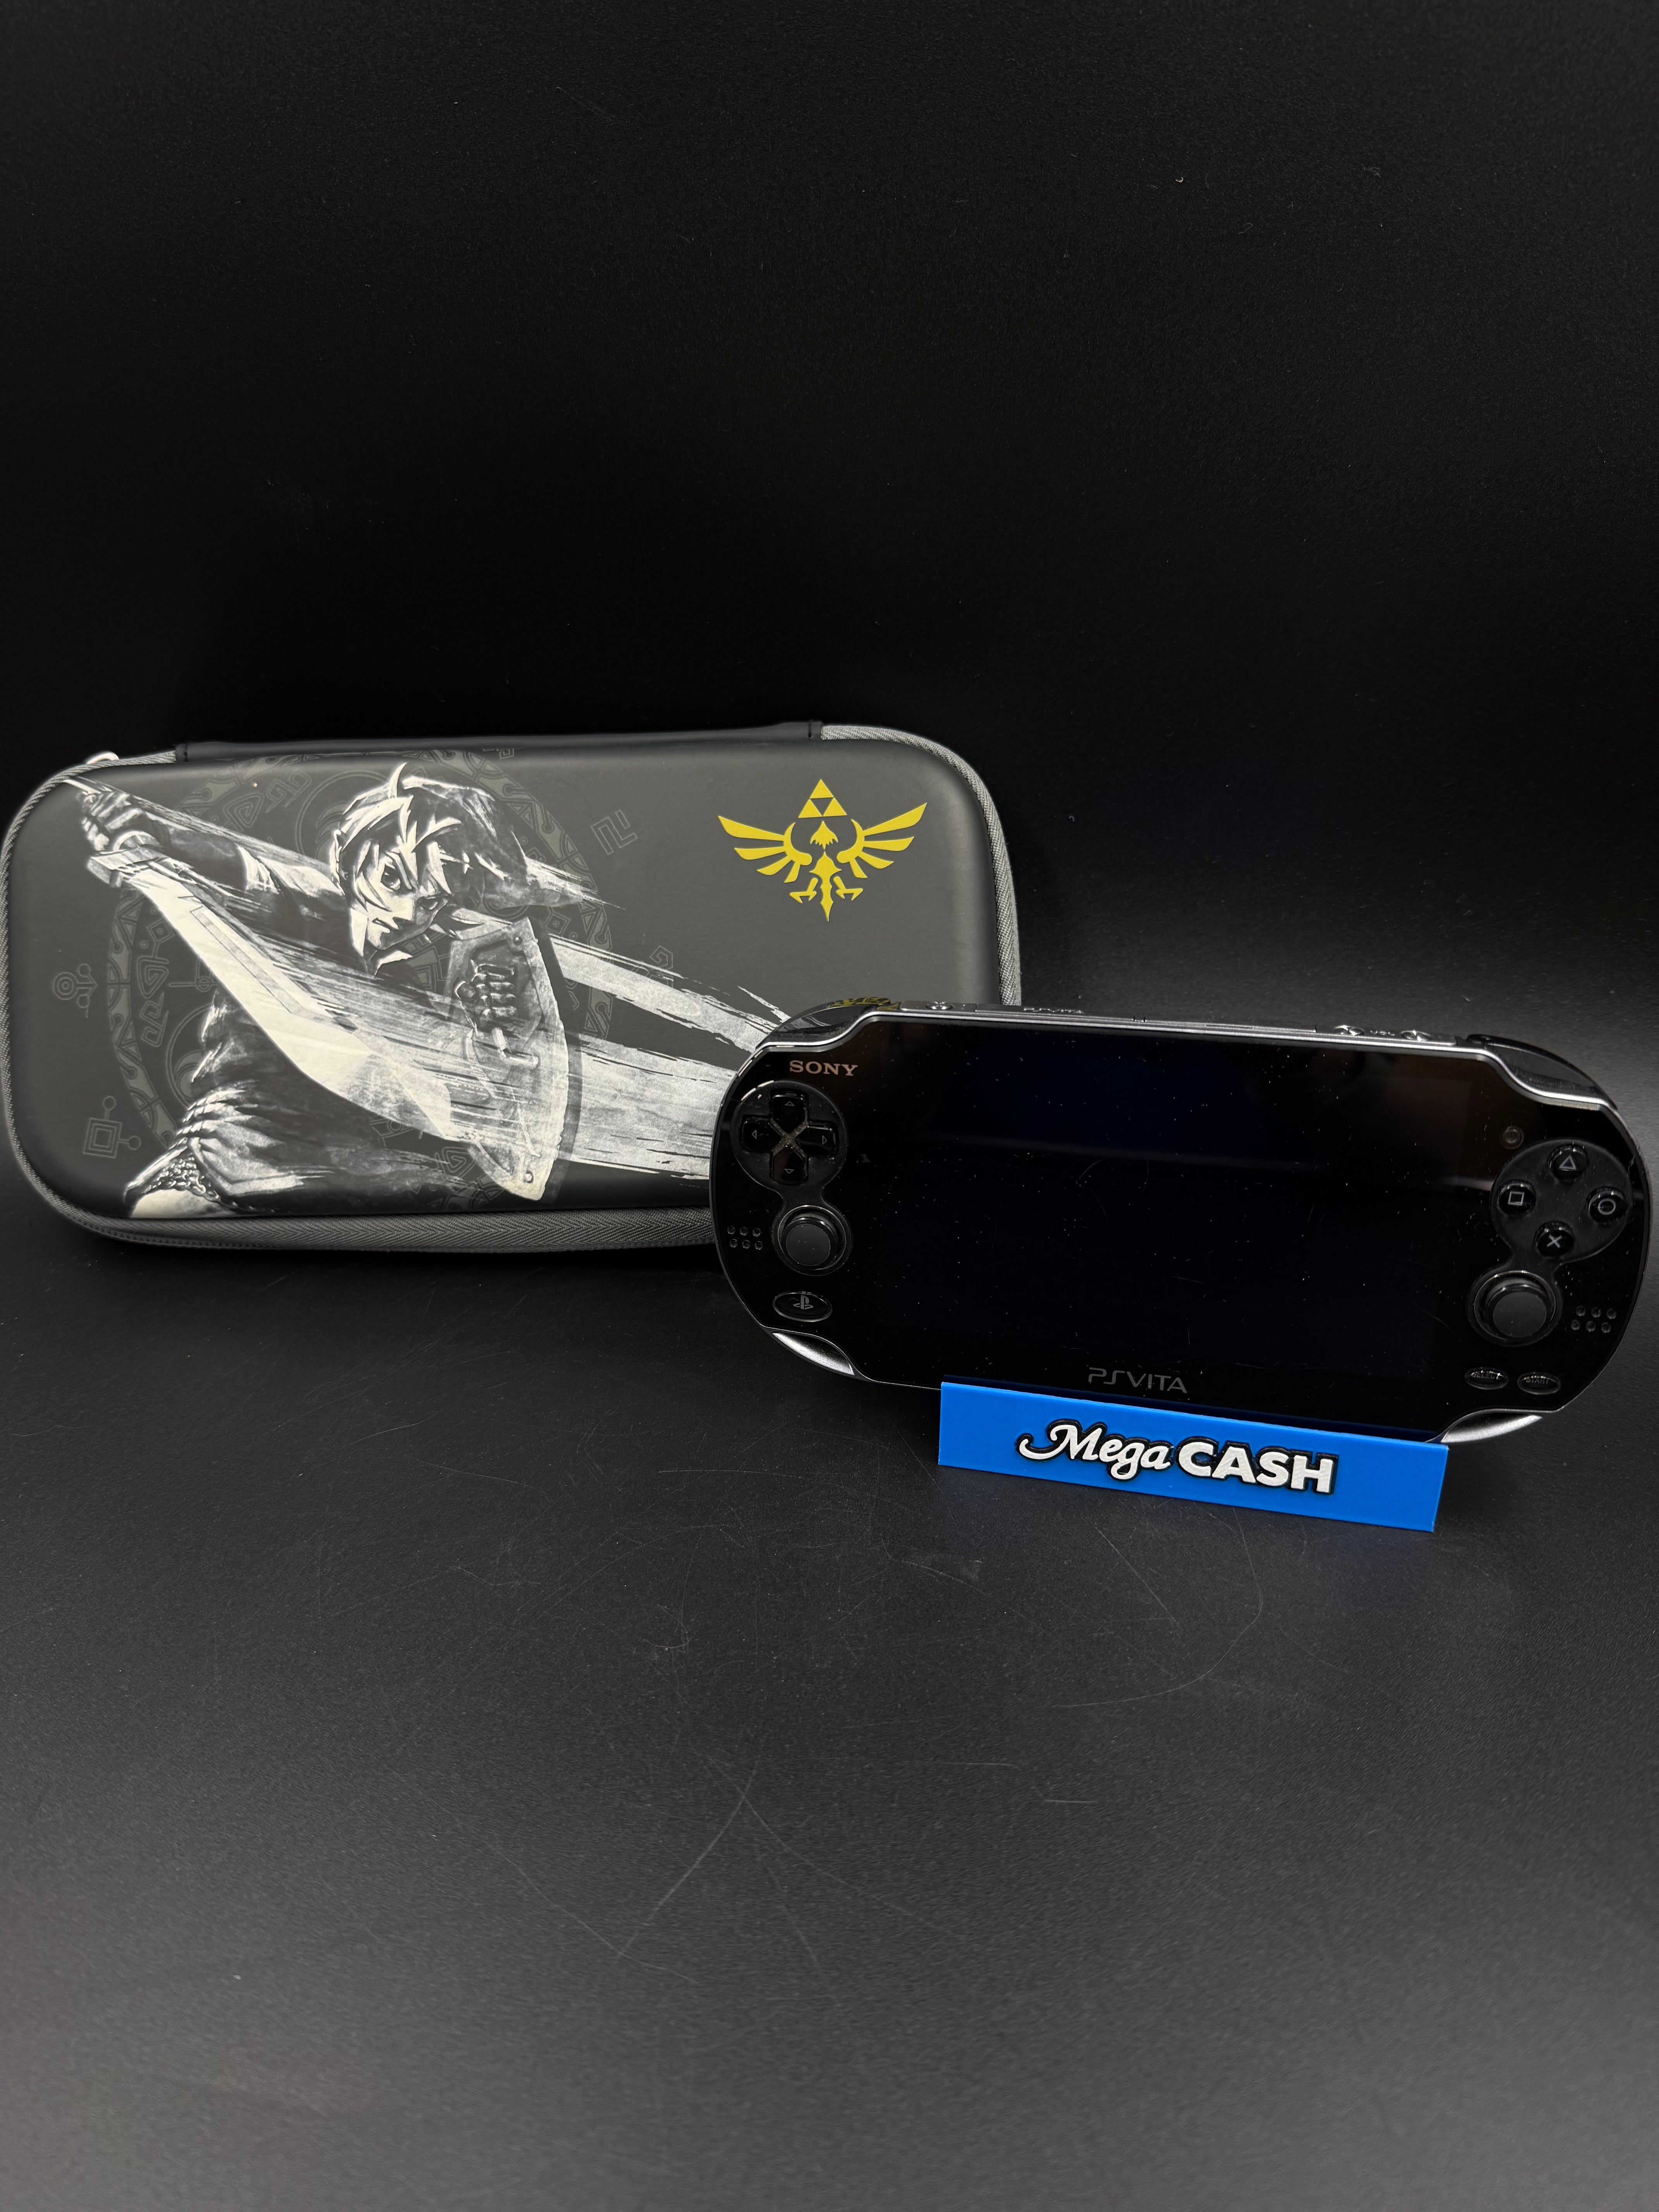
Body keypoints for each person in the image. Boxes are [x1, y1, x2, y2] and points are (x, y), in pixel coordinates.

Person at [80, 766, 584, 1217]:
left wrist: (488, 1036)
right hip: (244, 1139)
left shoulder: (415, 981)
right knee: (169, 1212)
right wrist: (154, 830)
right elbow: (237, 866)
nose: (406, 913)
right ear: (354, 855)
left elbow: (456, 1097)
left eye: (430, 902)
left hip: (350, 1161)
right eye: (392, 877)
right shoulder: (308, 904)